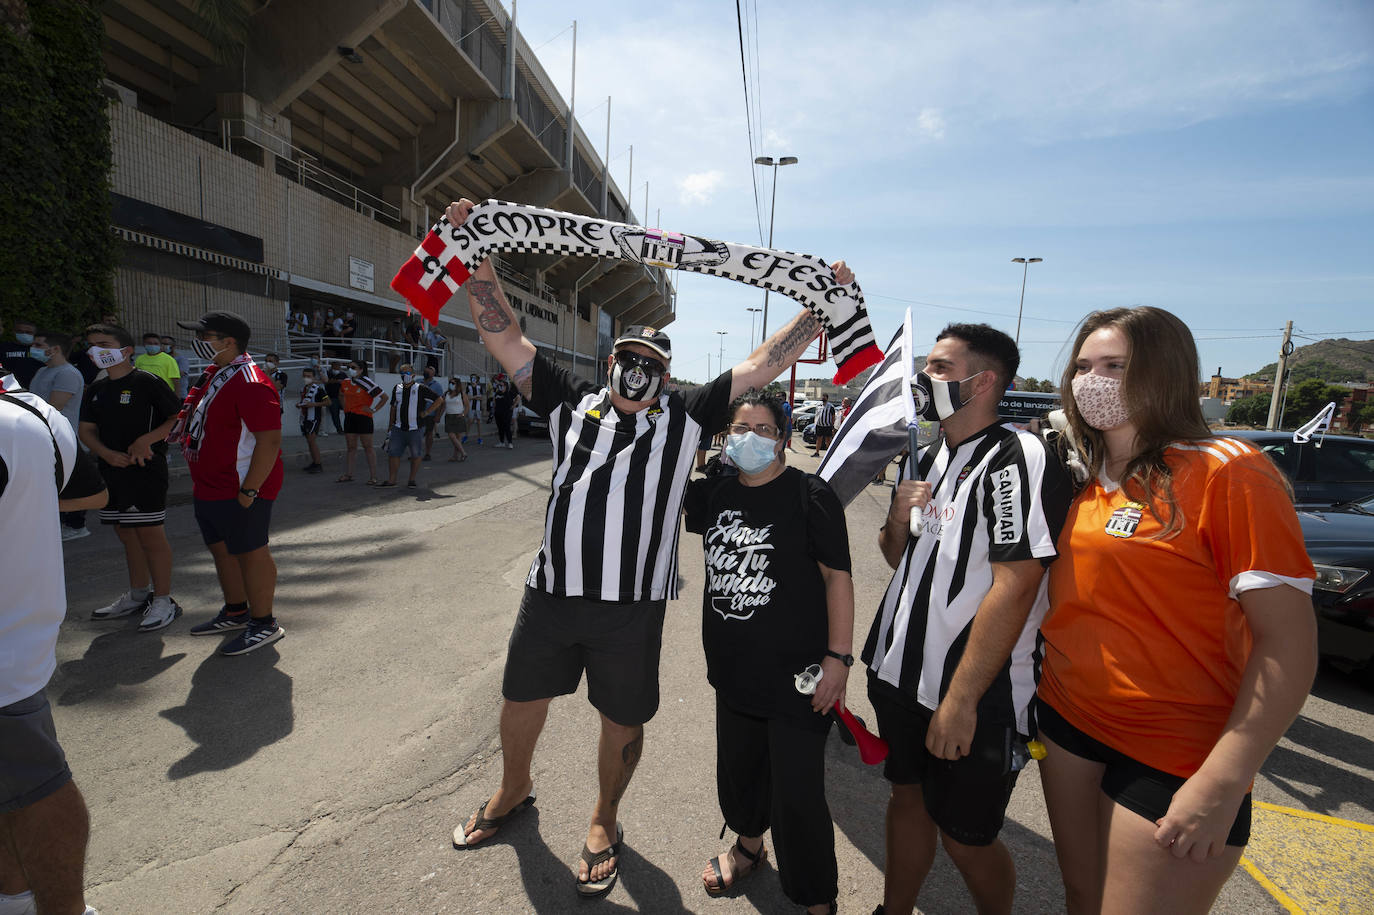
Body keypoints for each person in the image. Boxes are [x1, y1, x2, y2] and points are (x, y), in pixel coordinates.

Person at [440, 197, 853, 899]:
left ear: (666, 372)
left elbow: (758, 366)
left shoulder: (688, 418)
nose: (638, 370)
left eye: (651, 362)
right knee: (520, 697)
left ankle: (604, 818)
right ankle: (514, 788)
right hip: (553, 592)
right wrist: (473, 253)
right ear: (611, 362)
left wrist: (817, 310)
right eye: (629, 358)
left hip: (631, 607)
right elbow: (506, 339)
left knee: (622, 717)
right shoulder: (568, 401)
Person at [1035, 307, 1317, 915]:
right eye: (1083, 366)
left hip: (1176, 751)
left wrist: (1220, 784)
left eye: (1116, 366)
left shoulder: (1230, 472)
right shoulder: (1084, 476)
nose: (1092, 380)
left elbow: (1287, 646)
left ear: (1163, 374)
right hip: (1068, 724)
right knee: (1081, 899)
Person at [865, 323, 1072, 915]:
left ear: (982, 382)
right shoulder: (930, 453)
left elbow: (1018, 582)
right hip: (901, 676)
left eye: (938, 368)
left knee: (965, 837)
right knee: (907, 799)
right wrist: (899, 519)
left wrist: (960, 702)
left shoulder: (1016, 455)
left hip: (974, 695)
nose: (922, 379)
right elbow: (896, 557)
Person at [683, 391, 854, 915]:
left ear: (782, 438)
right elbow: (665, 485)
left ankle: (815, 899)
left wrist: (838, 660)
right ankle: (749, 847)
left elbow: (837, 579)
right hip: (734, 673)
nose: (750, 438)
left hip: (799, 679)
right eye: (740, 428)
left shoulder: (810, 494)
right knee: (740, 773)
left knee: (798, 798)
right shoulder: (714, 494)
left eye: (763, 429)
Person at [1, 365, 107, 915]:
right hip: (19, 645)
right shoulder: (36, 414)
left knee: (34, 785)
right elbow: (83, 492)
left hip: (6, 658)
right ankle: (15, 897)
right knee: (16, 788)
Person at [172, 311, 286, 656]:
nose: (198, 343)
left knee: (252, 553)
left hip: (240, 487)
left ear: (228, 342)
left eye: (205, 337)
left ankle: (263, 622)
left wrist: (250, 490)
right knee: (222, 551)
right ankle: (236, 611)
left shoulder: (250, 380)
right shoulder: (215, 375)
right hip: (210, 485)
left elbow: (269, 441)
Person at [79, 324, 186, 632]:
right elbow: (86, 430)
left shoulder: (146, 382)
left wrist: (146, 441)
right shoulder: (97, 389)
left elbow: (176, 416)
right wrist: (104, 453)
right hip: (111, 472)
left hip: (146, 471)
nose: (97, 350)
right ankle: (139, 595)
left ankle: (164, 600)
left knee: (151, 536)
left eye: (104, 343)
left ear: (126, 350)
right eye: (92, 345)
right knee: (127, 535)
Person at [29, 331, 89, 540]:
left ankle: (75, 525)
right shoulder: (42, 371)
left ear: (54, 349)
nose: (33, 347)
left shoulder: (67, 374)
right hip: (42, 437)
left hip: (61, 438)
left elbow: (53, 406)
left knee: (66, 483)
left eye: (38, 343)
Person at [380, 363, 442, 488]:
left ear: (413, 375)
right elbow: (393, 407)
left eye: (407, 373)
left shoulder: (421, 388)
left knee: (415, 454)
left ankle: (412, 480)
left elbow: (439, 399)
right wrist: (390, 425)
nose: (404, 376)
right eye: (402, 373)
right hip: (398, 427)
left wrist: (427, 412)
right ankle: (392, 480)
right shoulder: (397, 388)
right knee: (393, 454)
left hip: (416, 428)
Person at [337, 359, 387, 484]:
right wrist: (345, 408)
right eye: (349, 367)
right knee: (351, 447)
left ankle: (373, 477)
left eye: (353, 367)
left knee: (368, 447)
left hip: (364, 418)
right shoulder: (346, 382)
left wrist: (373, 409)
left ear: (361, 370)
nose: (350, 369)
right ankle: (349, 474)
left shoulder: (366, 383)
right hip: (350, 417)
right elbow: (341, 395)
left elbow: (384, 397)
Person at [297, 365, 329, 473]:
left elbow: (328, 402)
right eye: (305, 376)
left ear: (314, 377)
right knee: (309, 441)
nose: (306, 378)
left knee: (312, 441)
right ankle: (315, 462)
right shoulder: (303, 389)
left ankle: (318, 464)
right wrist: (300, 404)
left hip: (314, 418)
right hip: (305, 417)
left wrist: (314, 404)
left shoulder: (318, 389)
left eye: (309, 376)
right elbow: (305, 402)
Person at [0, 319, 41, 388]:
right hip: (9, 387)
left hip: (34, 389)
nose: (24, 334)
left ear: (35, 334)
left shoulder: (41, 350)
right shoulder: (3, 347)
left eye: (28, 332)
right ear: (14, 332)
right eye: (20, 331)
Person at [421, 364, 445, 460]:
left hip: (430, 414)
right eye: (426, 368)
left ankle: (427, 453)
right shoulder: (418, 382)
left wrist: (438, 415)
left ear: (433, 373)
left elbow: (441, 402)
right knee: (415, 434)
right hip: (418, 414)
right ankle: (415, 452)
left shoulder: (437, 386)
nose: (427, 370)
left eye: (430, 369)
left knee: (429, 434)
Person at [443, 376, 469, 462]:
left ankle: (455, 456)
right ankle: (463, 453)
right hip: (449, 417)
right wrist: (438, 416)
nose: (451, 384)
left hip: (458, 417)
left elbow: (467, 406)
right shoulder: (446, 394)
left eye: (453, 383)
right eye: (450, 383)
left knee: (457, 438)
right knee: (452, 436)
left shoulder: (462, 394)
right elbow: (443, 406)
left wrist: (463, 414)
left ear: (457, 384)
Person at [490, 373, 518, 449]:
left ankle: (510, 443)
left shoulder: (509, 393)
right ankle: (501, 442)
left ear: (506, 386)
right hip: (498, 413)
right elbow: (494, 400)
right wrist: (493, 409)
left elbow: (518, 397)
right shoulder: (497, 393)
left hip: (507, 413)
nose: (500, 387)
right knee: (500, 428)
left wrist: (514, 405)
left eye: (502, 386)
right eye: (499, 386)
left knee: (507, 427)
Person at [324, 360, 346, 435]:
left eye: (339, 366)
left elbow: (348, 383)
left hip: (342, 397)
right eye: (336, 366)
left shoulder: (343, 374)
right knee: (335, 414)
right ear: (332, 366)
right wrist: (335, 381)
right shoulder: (327, 373)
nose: (338, 368)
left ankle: (349, 428)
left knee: (348, 412)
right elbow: (325, 381)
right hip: (332, 397)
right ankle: (339, 430)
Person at [464, 373, 484, 445]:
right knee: (470, 421)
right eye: (472, 378)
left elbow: (481, 398)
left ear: (477, 379)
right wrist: (475, 396)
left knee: (478, 422)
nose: (473, 379)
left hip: (478, 407)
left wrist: (472, 397)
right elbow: (467, 397)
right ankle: (466, 436)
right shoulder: (468, 387)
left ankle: (480, 438)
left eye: (474, 378)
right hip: (471, 406)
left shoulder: (480, 387)